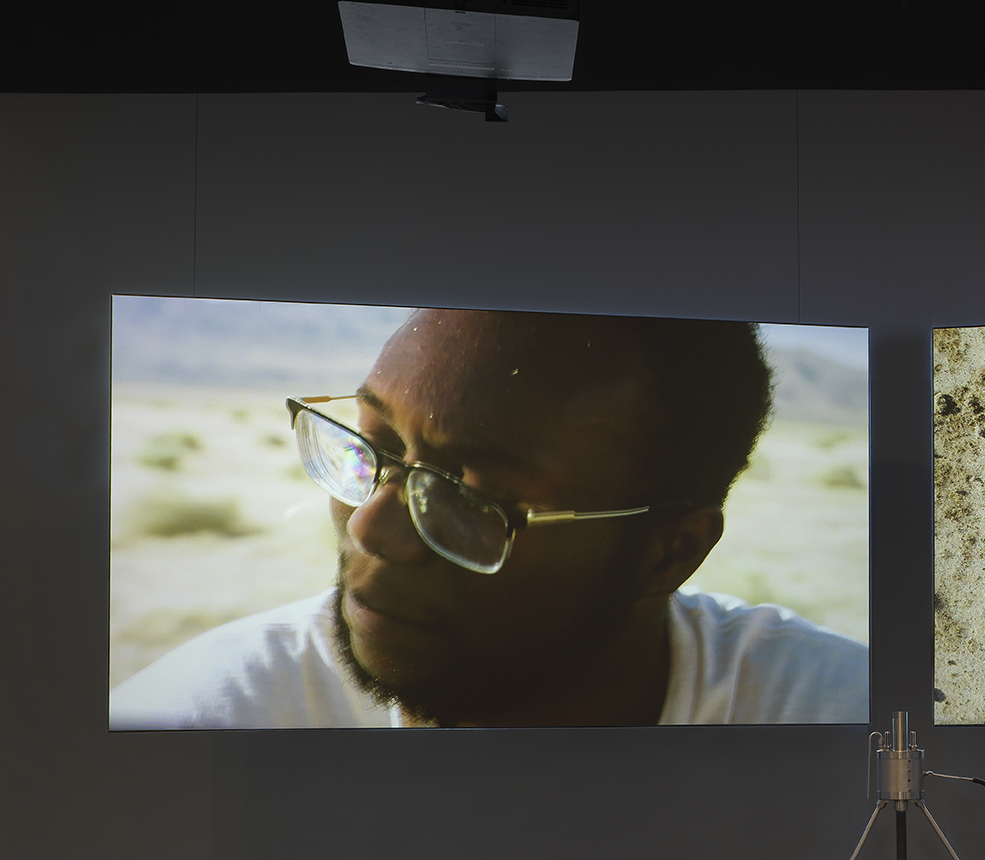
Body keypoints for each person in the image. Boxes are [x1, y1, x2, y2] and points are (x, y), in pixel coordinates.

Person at [110, 308, 866, 727]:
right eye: (371, 447)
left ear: (667, 553)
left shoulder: (835, 720)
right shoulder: (204, 717)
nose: (368, 529)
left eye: (470, 498)